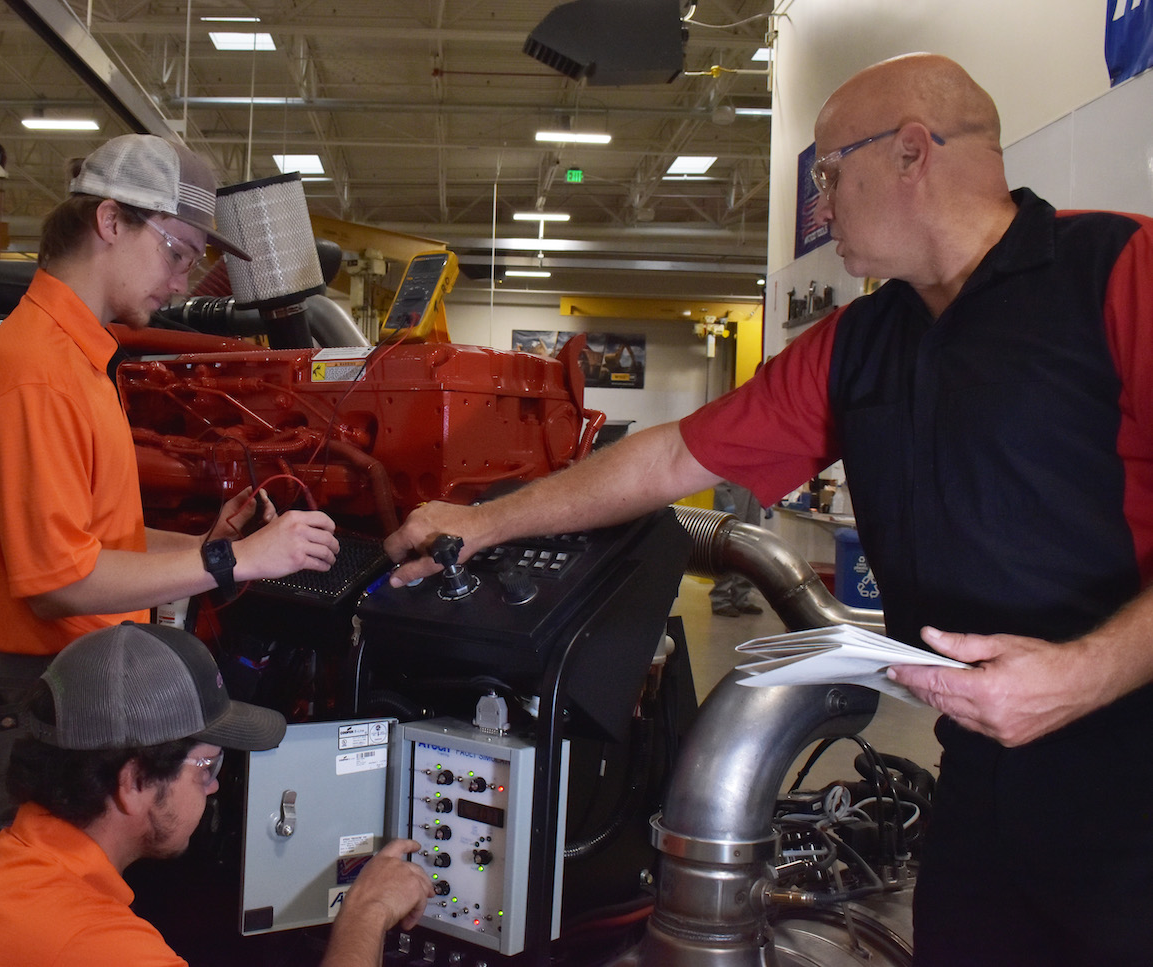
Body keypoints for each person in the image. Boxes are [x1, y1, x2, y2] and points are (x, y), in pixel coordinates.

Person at [384, 53, 1153, 967]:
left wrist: (1083, 675)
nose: (819, 205)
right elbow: (675, 454)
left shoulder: (1119, 270)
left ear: (913, 152)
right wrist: (484, 520)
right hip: (983, 776)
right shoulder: (860, 341)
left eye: (829, 171)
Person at [0, 133, 340, 826]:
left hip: (86, 684)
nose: (184, 281)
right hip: (44, 700)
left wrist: (199, 539)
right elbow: (58, 582)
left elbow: (97, 538)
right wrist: (233, 559)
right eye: (178, 252)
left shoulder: (78, 360)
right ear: (110, 221)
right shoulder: (36, 371)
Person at [0, 622, 432, 967]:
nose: (216, 785)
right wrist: (367, 910)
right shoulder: (90, 942)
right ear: (132, 782)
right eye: (206, 765)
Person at [708, 480, 763, 616]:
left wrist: (765, 502)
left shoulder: (757, 460)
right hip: (730, 512)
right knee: (725, 553)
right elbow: (719, 483)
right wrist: (727, 503)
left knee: (747, 553)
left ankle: (741, 598)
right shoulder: (734, 458)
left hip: (750, 509)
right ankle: (720, 600)